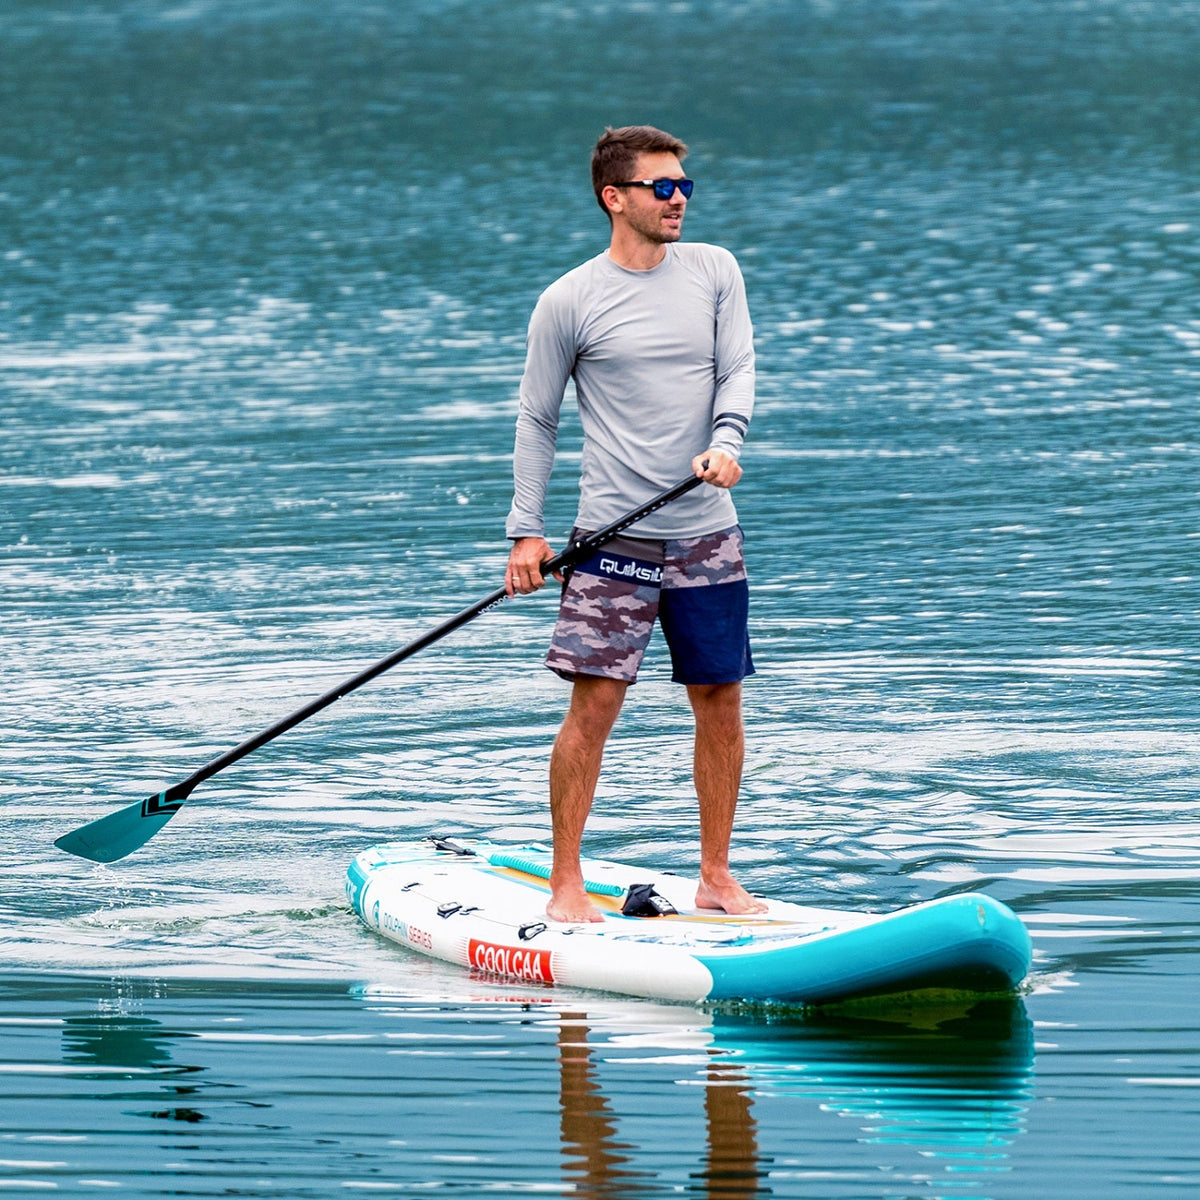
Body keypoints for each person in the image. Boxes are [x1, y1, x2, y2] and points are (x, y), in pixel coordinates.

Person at [504, 124, 766, 924]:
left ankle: (716, 878)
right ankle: (566, 886)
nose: (679, 197)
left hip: (707, 532)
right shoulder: (570, 300)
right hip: (612, 541)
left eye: (686, 184)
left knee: (720, 698)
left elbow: (737, 368)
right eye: (663, 186)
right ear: (616, 197)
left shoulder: (716, 272)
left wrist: (728, 443)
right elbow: (536, 419)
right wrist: (527, 532)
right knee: (594, 707)